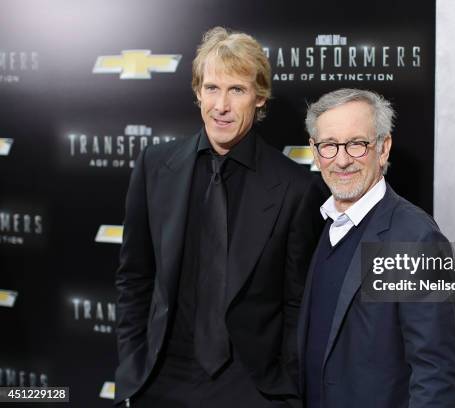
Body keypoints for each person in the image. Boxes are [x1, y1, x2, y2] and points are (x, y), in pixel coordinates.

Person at [115, 26, 322, 407]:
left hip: (249, 386)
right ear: (197, 92)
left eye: (237, 90)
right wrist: (132, 372)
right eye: (211, 88)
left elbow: (298, 305)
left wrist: (285, 392)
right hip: (161, 381)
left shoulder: (295, 188)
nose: (221, 106)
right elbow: (135, 278)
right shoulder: (155, 166)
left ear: (259, 98)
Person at [297, 89, 455, 408]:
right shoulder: (326, 224)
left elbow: (436, 374)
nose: (342, 160)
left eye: (357, 144)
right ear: (316, 154)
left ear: (383, 148)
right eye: (330, 145)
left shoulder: (414, 238)